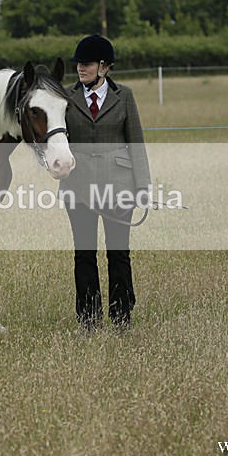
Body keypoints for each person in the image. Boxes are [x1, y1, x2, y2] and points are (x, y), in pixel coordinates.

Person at [60, 34, 151, 331]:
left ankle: (122, 314)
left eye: (86, 64)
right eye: (79, 64)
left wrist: (143, 187)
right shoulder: (66, 98)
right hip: (78, 185)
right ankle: (88, 317)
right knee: (84, 252)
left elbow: (136, 142)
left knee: (118, 252)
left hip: (119, 185)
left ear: (104, 67)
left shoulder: (124, 96)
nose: (80, 68)